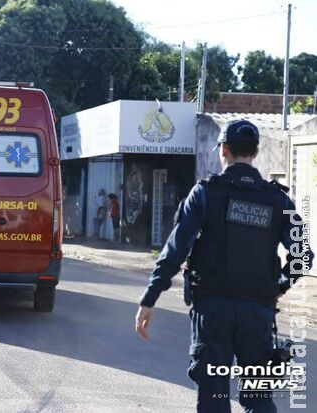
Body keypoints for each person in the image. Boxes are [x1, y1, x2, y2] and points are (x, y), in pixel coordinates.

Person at [134, 120, 314, 413]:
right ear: (255, 153)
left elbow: (176, 250)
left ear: (224, 151)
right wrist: (278, 287)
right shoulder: (279, 200)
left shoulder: (205, 193)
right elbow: (304, 255)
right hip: (258, 314)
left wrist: (149, 299)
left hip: (212, 313)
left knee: (214, 399)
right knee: (259, 400)